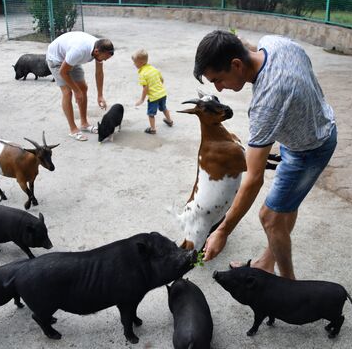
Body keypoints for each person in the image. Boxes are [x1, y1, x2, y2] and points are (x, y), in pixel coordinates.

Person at [194, 31, 337, 280]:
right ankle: (265, 263)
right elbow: (245, 45)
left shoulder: (266, 103)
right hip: (315, 125)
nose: (219, 88)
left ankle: (288, 284)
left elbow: (253, 178)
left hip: (310, 149)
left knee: (270, 217)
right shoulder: (275, 43)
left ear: (236, 65)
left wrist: (223, 230)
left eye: (218, 79)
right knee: (285, 206)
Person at [46, 32, 114, 141]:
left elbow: (99, 73)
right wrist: (76, 91)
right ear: (96, 51)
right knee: (68, 92)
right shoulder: (79, 51)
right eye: (104, 58)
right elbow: (63, 72)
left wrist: (100, 95)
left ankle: (84, 124)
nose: (104, 60)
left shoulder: (100, 47)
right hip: (56, 60)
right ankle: (73, 129)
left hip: (70, 59)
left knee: (83, 88)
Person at [132, 49, 173, 134]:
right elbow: (162, 80)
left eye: (135, 62)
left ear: (141, 62)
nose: (134, 64)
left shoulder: (142, 74)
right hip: (162, 94)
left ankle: (153, 129)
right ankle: (169, 120)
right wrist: (158, 88)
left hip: (154, 97)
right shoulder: (154, 69)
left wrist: (142, 100)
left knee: (151, 113)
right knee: (164, 108)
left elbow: (145, 88)